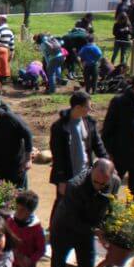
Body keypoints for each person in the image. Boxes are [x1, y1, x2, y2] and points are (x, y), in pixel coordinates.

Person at [44, 160, 120, 267]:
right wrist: (96, 232)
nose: (99, 186)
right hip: (64, 230)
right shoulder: (74, 186)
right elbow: (74, 221)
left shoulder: (115, 182)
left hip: (88, 230)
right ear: (91, 171)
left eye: (103, 184)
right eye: (96, 182)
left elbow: (111, 208)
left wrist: (107, 230)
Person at [49, 90, 107, 218]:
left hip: (86, 172)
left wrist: (107, 163)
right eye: (88, 106)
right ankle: (54, 230)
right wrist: (62, 180)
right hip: (68, 175)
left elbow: (98, 145)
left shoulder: (89, 123)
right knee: (62, 204)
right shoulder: (60, 127)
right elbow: (57, 156)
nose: (90, 109)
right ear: (77, 107)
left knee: (84, 203)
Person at [101, 73, 134, 197]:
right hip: (120, 155)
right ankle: (107, 213)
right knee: (111, 188)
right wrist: (109, 153)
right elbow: (107, 129)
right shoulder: (119, 102)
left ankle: (130, 214)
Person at [6, 190, 45, 267]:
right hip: (12, 262)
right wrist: (12, 251)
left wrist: (30, 260)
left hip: (27, 266)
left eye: (21, 210)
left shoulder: (36, 228)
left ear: (30, 212)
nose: (17, 212)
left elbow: (41, 249)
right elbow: (6, 240)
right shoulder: (11, 222)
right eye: (16, 208)